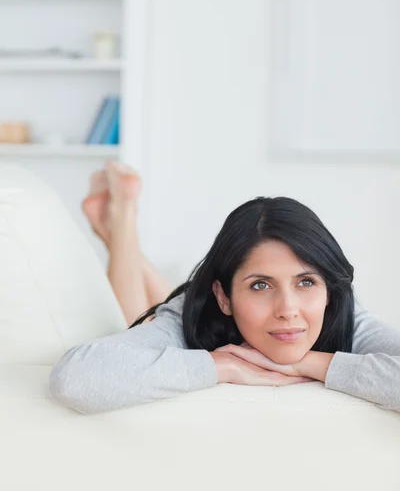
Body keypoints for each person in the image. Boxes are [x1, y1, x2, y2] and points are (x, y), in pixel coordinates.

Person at [49, 161, 400, 414]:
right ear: (224, 296)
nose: (288, 309)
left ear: (328, 291)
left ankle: (119, 232)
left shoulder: (344, 312)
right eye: (261, 285)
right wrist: (220, 366)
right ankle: (122, 218)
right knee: (161, 310)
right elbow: (77, 378)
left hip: (198, 301)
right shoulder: (192, 314)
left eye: (306, 281)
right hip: (194, 309)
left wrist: (312, 364)